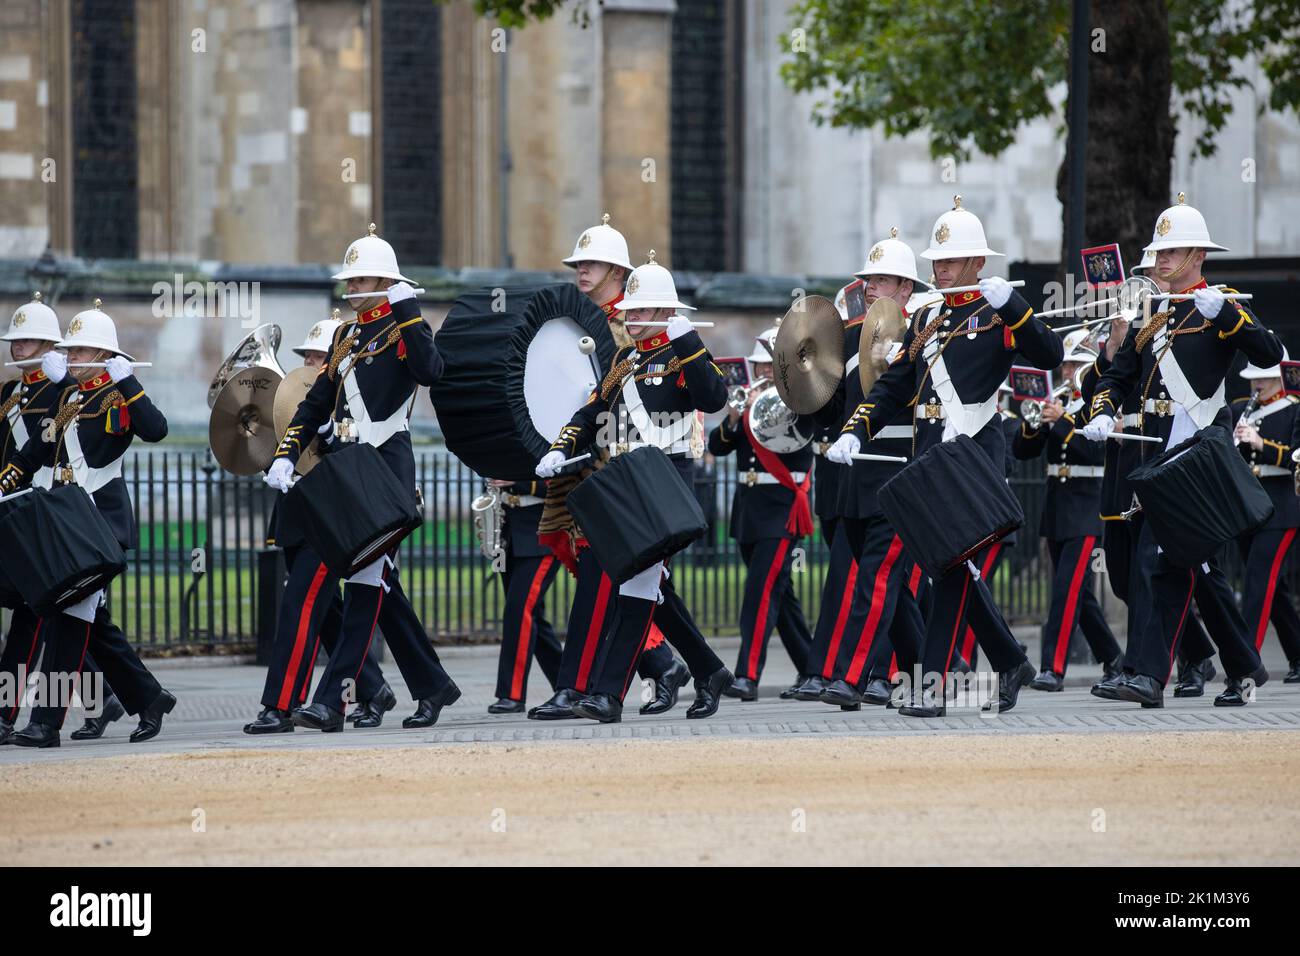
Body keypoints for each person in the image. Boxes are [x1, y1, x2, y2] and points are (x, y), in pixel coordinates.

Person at [830, 198, 1061, 717]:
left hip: (975, 457)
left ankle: (932, 688)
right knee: (952, 570)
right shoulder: (928, 315)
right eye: (937, 260)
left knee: (953, 569)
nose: (942, 269)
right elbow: (895, 385)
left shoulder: (997, 311)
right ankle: (1009, 661)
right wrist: (856, 430)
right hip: (931, 460)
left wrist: (1016, 310)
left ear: (978, 263)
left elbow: (1050, 356)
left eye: (953, 260)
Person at [1082, 194, 1282, 707]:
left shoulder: (1222, 304)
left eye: (1173, 252)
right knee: (1200, 571)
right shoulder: (1151, 317)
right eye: (1160, 252)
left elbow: (1270, 353)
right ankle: (1244, 667)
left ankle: (1149, 676)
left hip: (1199, 461)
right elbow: (1121, 375)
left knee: (1162, 559)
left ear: (1198, 255)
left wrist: (1230, 318)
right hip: (1158, 464)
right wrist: (1103, 408)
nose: (1161, 260)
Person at [266, 224, 461, 731]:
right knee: (369, 591)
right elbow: (315, 401)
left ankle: (330, 703)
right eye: (349, 282)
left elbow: (431, 370)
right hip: (345, 472)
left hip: (384, 470)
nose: (351, 291)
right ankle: (433, 686)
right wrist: (287, 452)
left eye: (360, 282)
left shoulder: (403, 329)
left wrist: (409, 310)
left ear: (385, 281)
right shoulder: (347, 337)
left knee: (364, 589)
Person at [536, 252, 734, 722]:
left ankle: (607, 694)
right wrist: (562, 446)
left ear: (667, 312)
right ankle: (708, 670)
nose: (634, 318)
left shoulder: (684, 352)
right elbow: (593, 413)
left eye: (645, 312)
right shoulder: (625, 359)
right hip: (630, 482)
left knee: (638, 584)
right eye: (633, 311)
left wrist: (687, 343)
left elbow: (714, 397)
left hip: (668, 479)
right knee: (649, 585)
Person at [528, 217, 687, 721]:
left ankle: (584, 685)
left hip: (615, 468)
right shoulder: (575, 322)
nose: (582, 271)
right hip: (580, 460)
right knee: (606, 573)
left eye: (592, 264)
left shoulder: (630, 327)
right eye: (579, 264)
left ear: (618, 271)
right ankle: (666, 662)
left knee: (611, 576)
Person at [1, 300, 176, 747]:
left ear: (102, 355)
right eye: (72, 351)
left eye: (79, 351)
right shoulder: (71, 398)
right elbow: (36, 451)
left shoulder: (116, 395)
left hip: (98, 522)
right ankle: (148, 697)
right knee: (86, 621)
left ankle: (45, 723)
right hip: (68, 522)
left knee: (70, 620)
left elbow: (156, 429)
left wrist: (130, 382)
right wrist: (7, 482)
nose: (71, 356)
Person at [244, 312, 397, 734]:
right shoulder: (309, 395)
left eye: (319, 356)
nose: (311, 364)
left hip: (339, 508)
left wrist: (327, 436)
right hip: (303, 507)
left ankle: (282, 704)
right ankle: (371, 688)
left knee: (304, 603)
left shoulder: (354, 392)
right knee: (322, 608)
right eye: (308, 356)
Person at [812, 231, 934, 709]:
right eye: (868, 279)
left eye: (882, 281)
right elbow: (830, 411)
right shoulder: (846, 337)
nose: (870, 287)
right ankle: (942, 671)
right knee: (889, 585)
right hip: (855, 472)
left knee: (876, 578)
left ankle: (855, 677)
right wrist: (800, 385)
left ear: (906, 289)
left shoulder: (920, 335)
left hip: (898, 469)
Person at [0, 294, 127, 743]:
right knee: (61, 618)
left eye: (30, 341)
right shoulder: (12, 392)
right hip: (17, 506)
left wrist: (58, 383)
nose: (20, 349)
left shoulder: (59, 386)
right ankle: (107, 695)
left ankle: (9, 713)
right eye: (16, 341)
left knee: (34, 619)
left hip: (47, 510)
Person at [1012, 330, 1122, 690]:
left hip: (1087, 505)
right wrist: (1033, 423)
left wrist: (1059, 421)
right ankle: (1114, 659)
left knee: (1065, 591)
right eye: (1065, 364)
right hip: (1058, 505)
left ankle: (1052, 668)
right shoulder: (1060, 403)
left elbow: (1092, 452)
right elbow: (1025, 452)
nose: (1067, 371)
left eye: (1075, 364)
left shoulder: (1098, 404)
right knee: (1080, 594)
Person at [709, 326, 813, 700]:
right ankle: (814, 668)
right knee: (781, 597)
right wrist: (735, 416)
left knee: (760, 593)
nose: (765, 374)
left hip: (781, 509)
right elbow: (717, 448)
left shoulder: (802, 403)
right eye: (760, 368)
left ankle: (747, 675)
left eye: (771, 367)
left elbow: (793, 440)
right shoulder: (749, 405)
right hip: (749, 510)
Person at [1233, 352, 1300, 682]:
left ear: (1281, 378)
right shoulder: (1244, 410)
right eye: (1254, 379)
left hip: (1283, 506)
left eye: (1265, 378)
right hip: (1251, 506)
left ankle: (1245, 666)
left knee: (1258, 581)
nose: (1257, 384)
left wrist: (1261, 443)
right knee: (1275, 589)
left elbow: (1296, 459)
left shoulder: (1295, 409)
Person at [485, 476, 564, 713]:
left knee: (519, 611)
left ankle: (512, 694)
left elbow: (565, 483)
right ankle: (572, 685)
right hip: (511, 532)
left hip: (545, 531)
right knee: (533, 618)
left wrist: (515, 481)